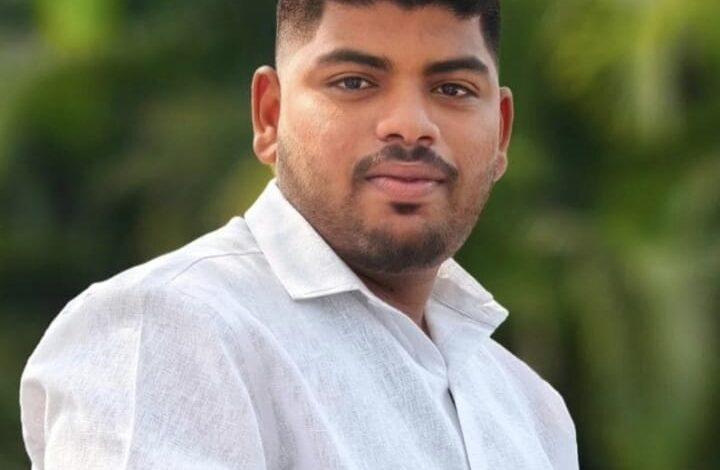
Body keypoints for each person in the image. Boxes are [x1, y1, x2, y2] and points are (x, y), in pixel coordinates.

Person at [20, 1, 578, 468]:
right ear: (270, 115)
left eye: (453, 89)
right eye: (354, 82)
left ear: (501, 131)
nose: (410, 125)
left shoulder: (530, 410)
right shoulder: (171, 328)